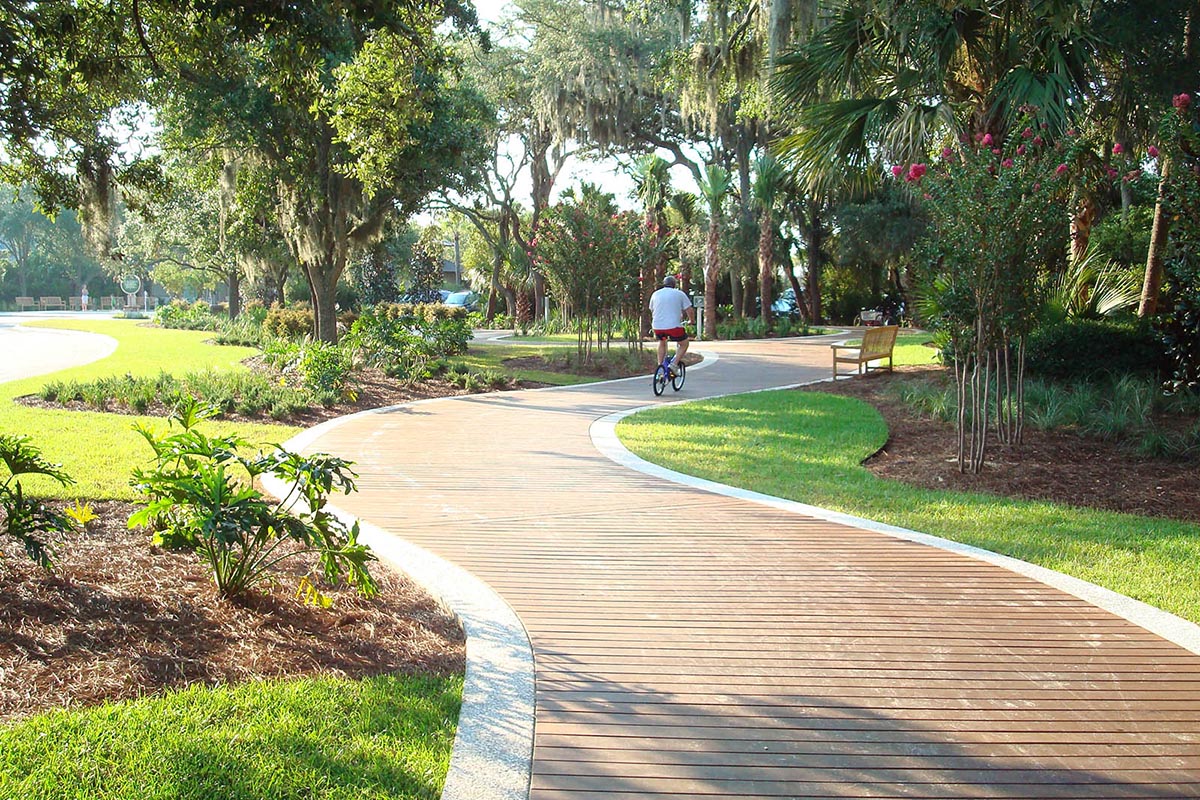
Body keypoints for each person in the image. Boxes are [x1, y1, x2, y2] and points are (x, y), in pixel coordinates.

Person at [648, 275, 694, 376]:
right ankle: (674, 364)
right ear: (674, 285)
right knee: (684, 343)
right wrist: (691, 320)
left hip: (657, 326)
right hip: (674, 327)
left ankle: (660, 367)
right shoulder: (679, 294)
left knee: (662, 341)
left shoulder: (655, 294)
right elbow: (689, 309)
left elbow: (652, 309)